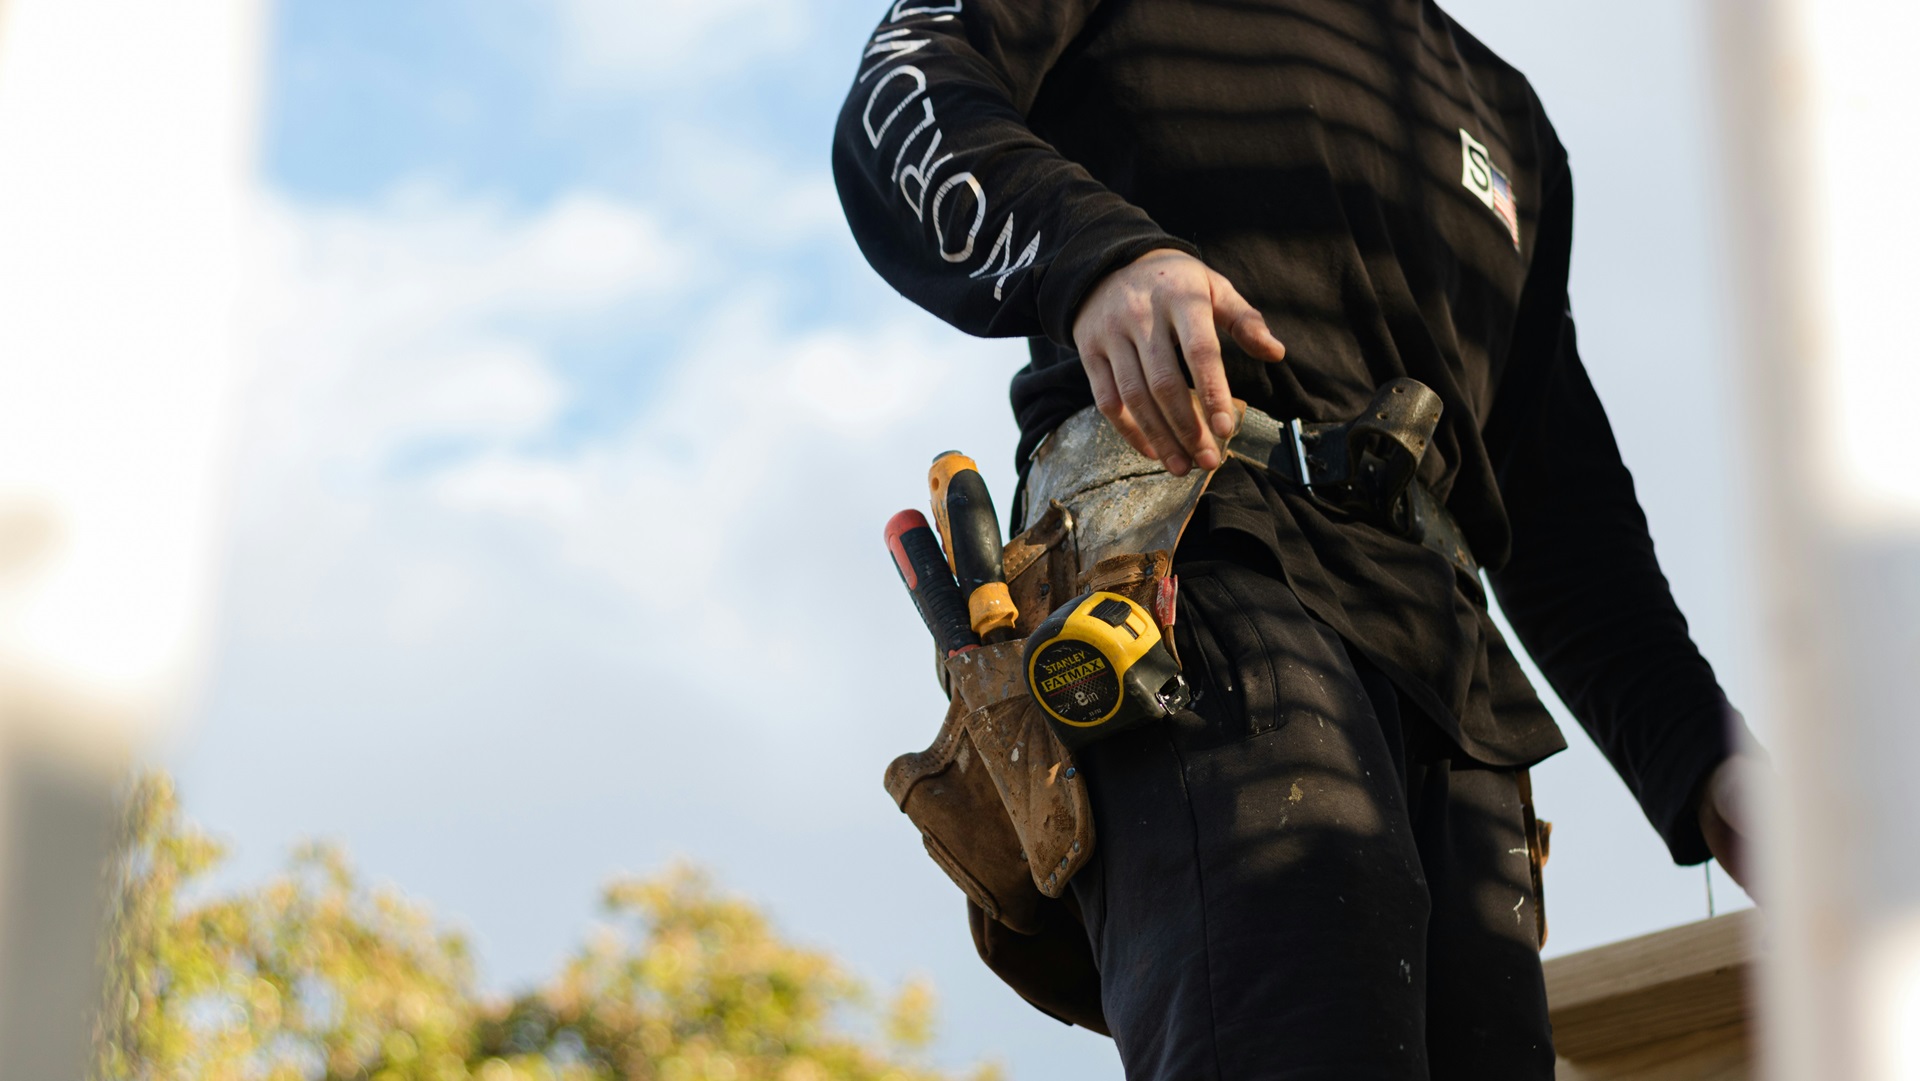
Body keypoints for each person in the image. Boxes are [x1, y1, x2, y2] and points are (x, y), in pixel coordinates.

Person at [832, 2, 1760, 1077]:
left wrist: (1704, 757)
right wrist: (1096, 257)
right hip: (1196, 576)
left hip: (1451, 694)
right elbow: (900, 96)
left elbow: (1560, 504)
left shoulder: (1503, 117)